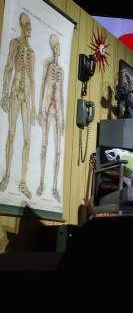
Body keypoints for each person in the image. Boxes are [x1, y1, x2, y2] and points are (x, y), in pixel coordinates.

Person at [0, 12, 36, 199]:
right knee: (12, 134)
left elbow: (32, 79)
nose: (30, 27)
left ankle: (23, 181)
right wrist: (4, 93)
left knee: (28, 140)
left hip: (26, 99)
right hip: (15, 92)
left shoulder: (31, 53)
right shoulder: (15, 43)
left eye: (30, 24)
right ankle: (6, 176)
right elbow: (8, 68)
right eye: (27, 24)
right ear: (22, 25)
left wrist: (35, 106)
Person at [37, 34, 65, 202]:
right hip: (47, 110)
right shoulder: (47, 65)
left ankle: (54, 187)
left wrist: (62, 119)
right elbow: (43, 86)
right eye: (57, 47)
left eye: (59, 47)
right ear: (54, 48)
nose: (58, 49)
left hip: (56, 112)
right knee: (44, 146)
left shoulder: (61, 71)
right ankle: (41, 182)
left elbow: (61, 95)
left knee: (58, 150)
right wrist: (40, 109)